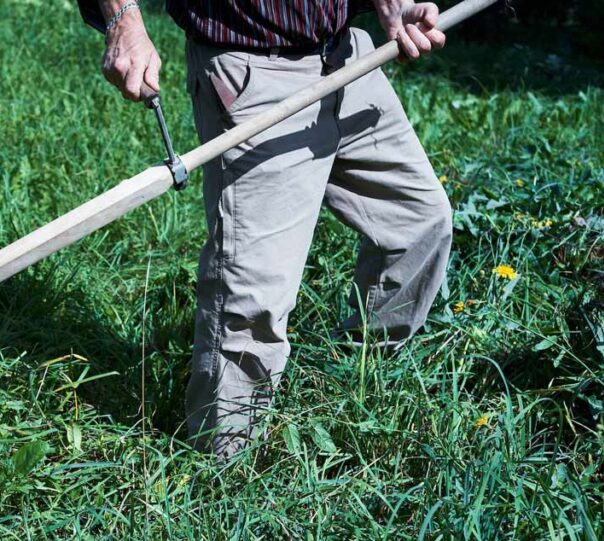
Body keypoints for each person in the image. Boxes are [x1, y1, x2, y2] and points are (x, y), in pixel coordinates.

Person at [92, 1, 452, 459]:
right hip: (254, 71)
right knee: (251, 298)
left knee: (420, 223)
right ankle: (223, 473)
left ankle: (355, 385)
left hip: (348, 55)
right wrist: (122, 18)